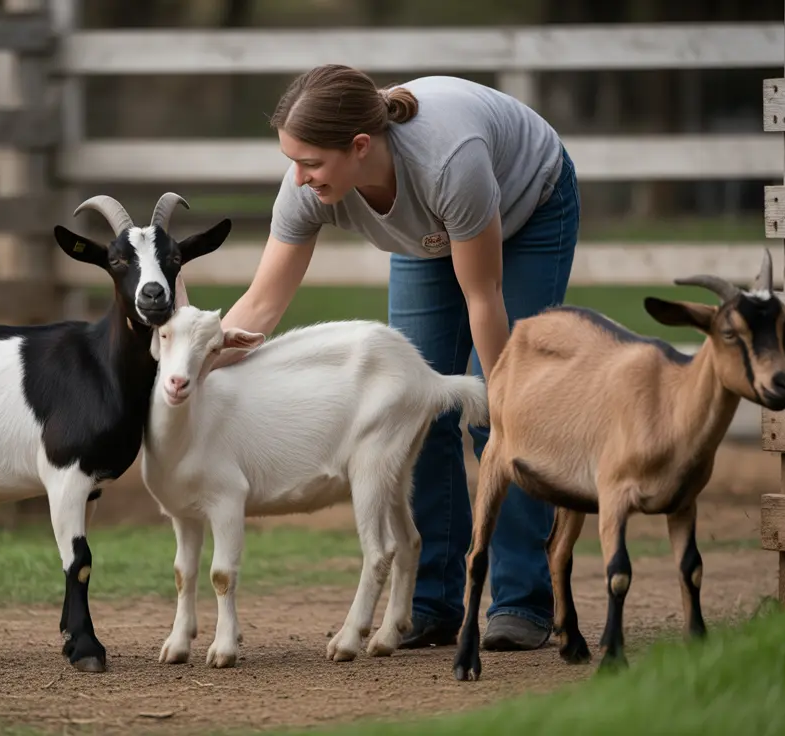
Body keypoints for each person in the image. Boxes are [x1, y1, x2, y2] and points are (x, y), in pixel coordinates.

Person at [174, 64, 580, 651]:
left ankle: (521, 599)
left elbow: (483, 298)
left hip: (527, 206)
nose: (298, 177)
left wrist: (506, 408)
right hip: (426, 232)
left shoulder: (449, 160)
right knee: (415, 402)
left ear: (360, 147)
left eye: (310, 162)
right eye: (292, 160)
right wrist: (190, 366)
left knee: (504, 410)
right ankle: (432, 602)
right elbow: (261, 306)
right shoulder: (308, 187)